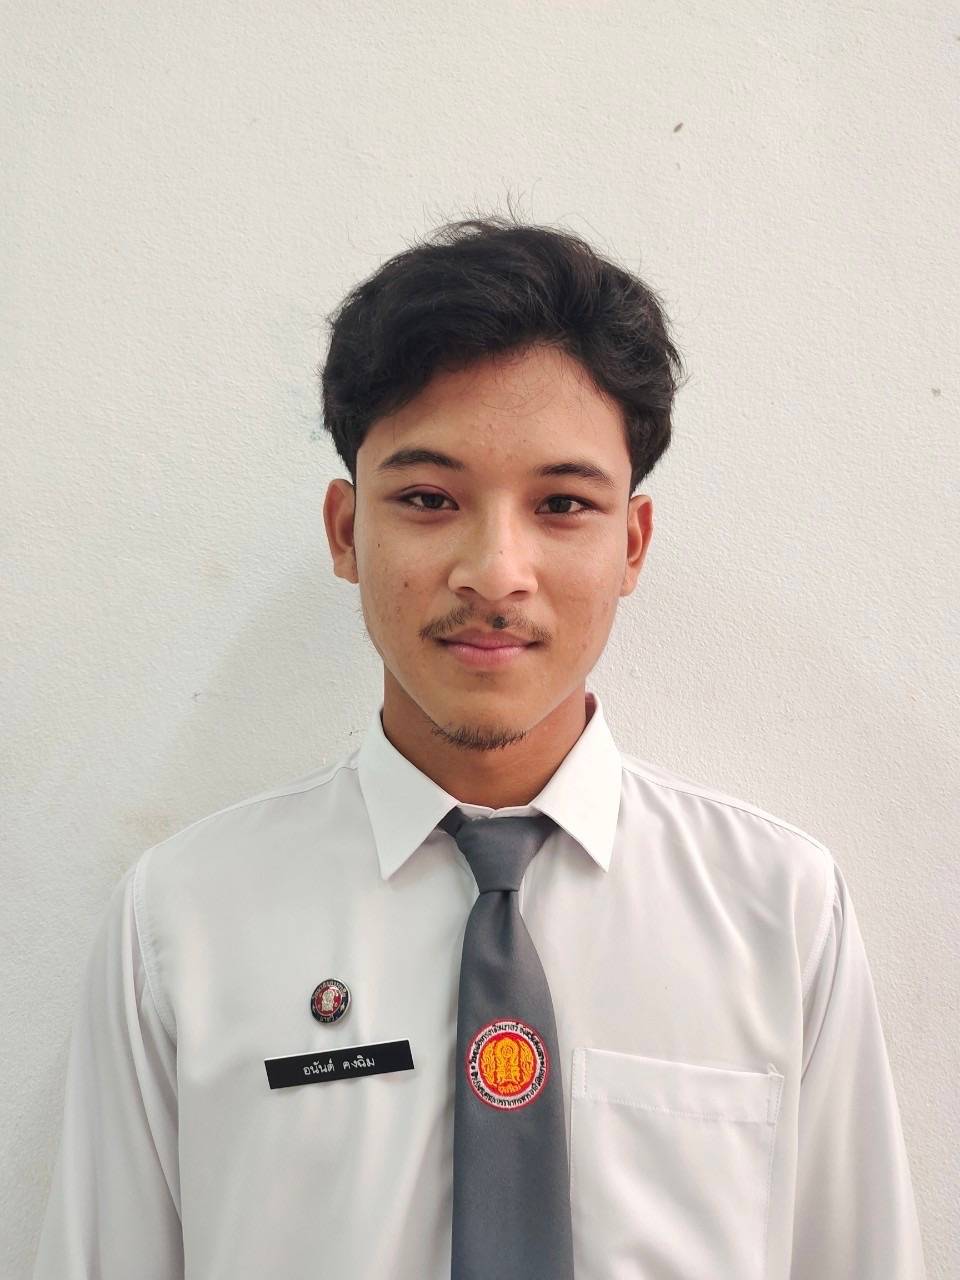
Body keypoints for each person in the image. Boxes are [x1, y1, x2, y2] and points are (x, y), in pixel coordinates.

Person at [32, 214, 926, 1278]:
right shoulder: (183, 921)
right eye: (428, 498)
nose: (496, 570)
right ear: (345, 530)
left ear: (631, 543)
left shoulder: (780, 910)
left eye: (562, 503)